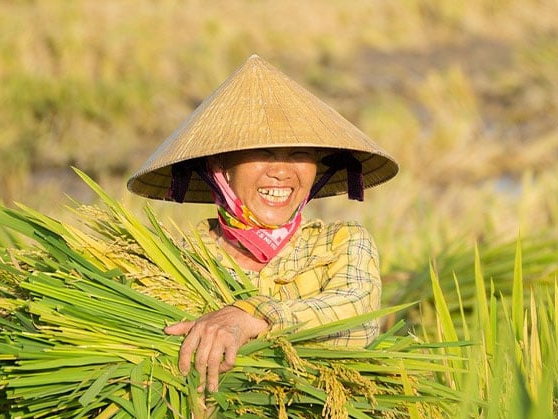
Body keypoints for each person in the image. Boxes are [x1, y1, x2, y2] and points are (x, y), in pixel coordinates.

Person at [127, 55, 399, 400]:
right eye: (263, 152)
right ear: (219, 167)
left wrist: (249, 318)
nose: (282, 172)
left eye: (299, 153)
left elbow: (357, 320)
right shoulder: (181, 259)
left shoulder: (342, 243)